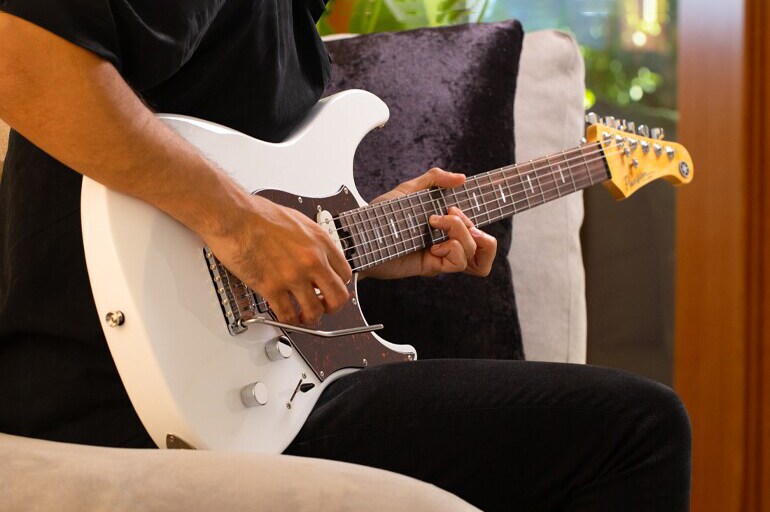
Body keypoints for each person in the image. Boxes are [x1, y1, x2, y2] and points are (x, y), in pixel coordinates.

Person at [0, 2, 691, 510]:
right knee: (638, 433)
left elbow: (236, 215)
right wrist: (242, 225)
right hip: (102, 393)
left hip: (232, 392)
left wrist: (359, 243)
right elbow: (20, 58)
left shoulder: (293, 28)